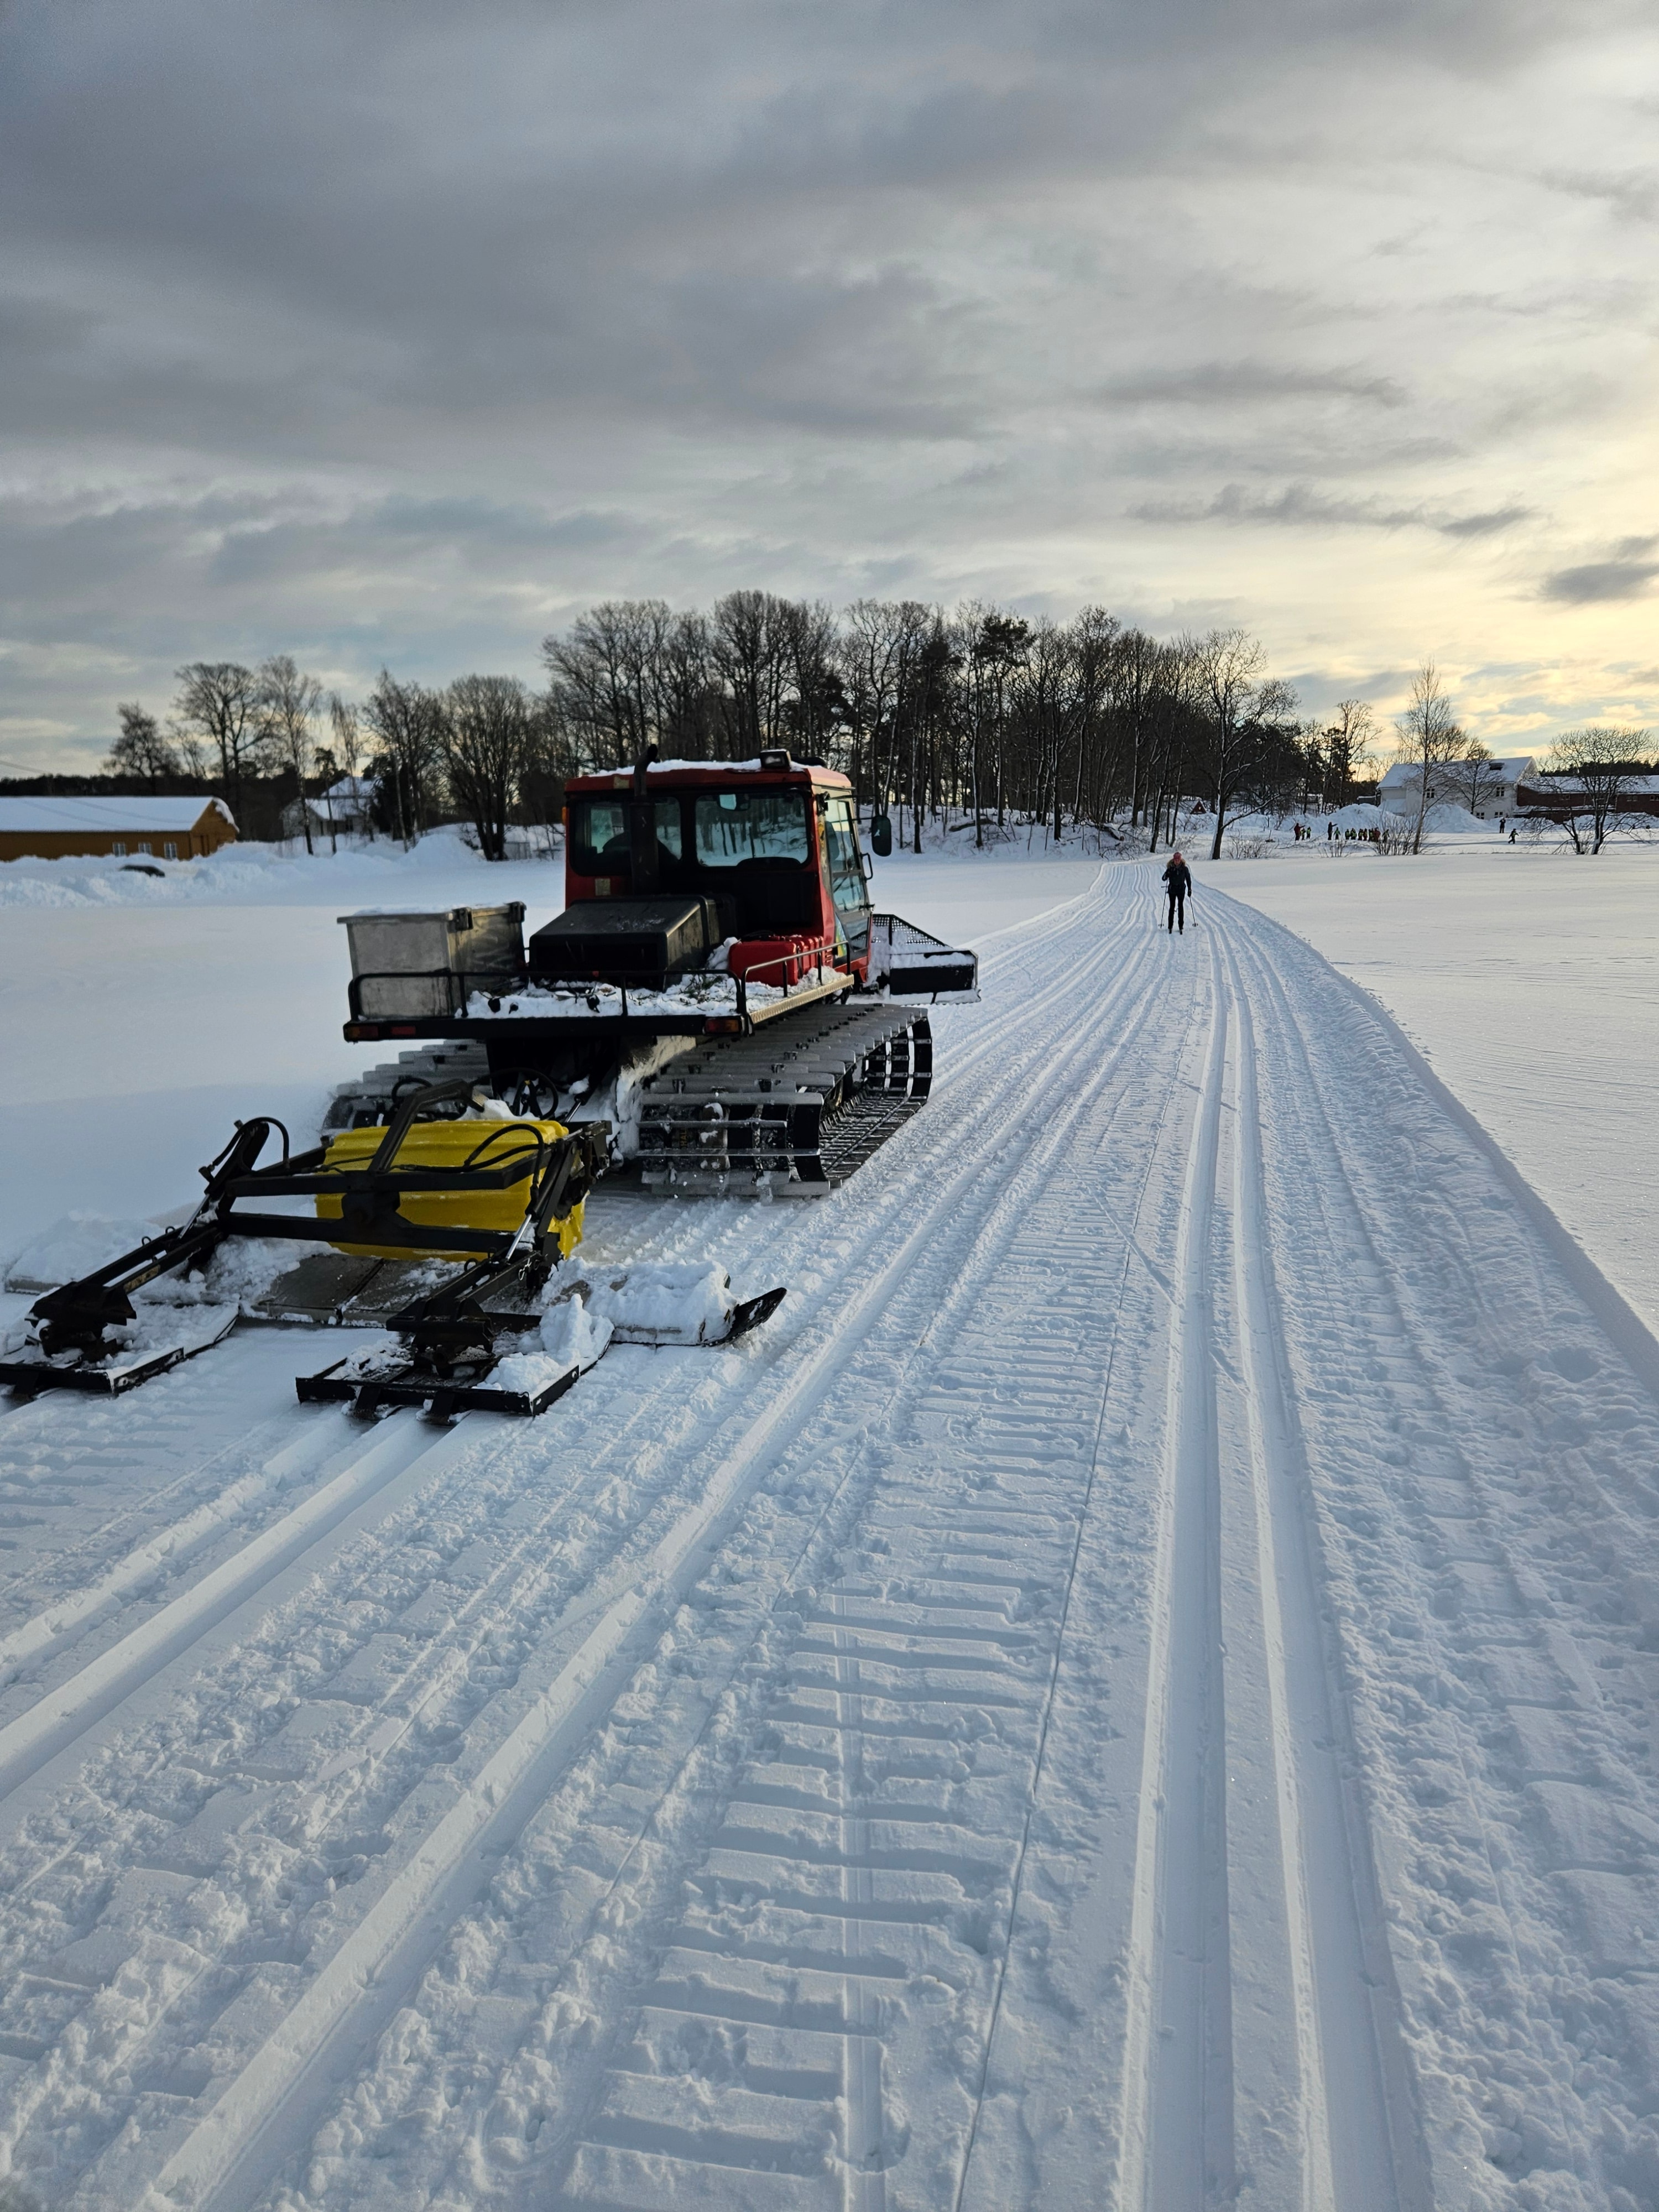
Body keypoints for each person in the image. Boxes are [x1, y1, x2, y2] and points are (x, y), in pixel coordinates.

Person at [1162, 850, 1192, 934]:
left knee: (1181, 906)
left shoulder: (1185, 869)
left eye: (1178, 860)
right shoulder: (1170, 868)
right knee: (1172, 907)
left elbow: (1189, 879)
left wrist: (1190, 889)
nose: (1177, 861)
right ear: (1173, 860)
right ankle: (1170, 926)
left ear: (1180, 860)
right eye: (1176, 860)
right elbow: (1164, 878)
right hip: (1172, 889)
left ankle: (1181, 925)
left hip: (1181, 889)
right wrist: (1166, 874)